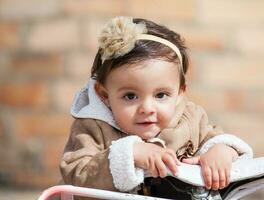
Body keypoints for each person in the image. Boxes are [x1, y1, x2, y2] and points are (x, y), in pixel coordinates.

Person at [60, 16, 253, 199]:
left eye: (161, 95)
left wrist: (221, 152)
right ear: (105, 96)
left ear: (179, 93)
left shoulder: (190, 118)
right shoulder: (93, 126)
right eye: (130, 96)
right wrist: (131, 154)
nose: (147, 108)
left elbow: (216, 138)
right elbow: (76, 175)